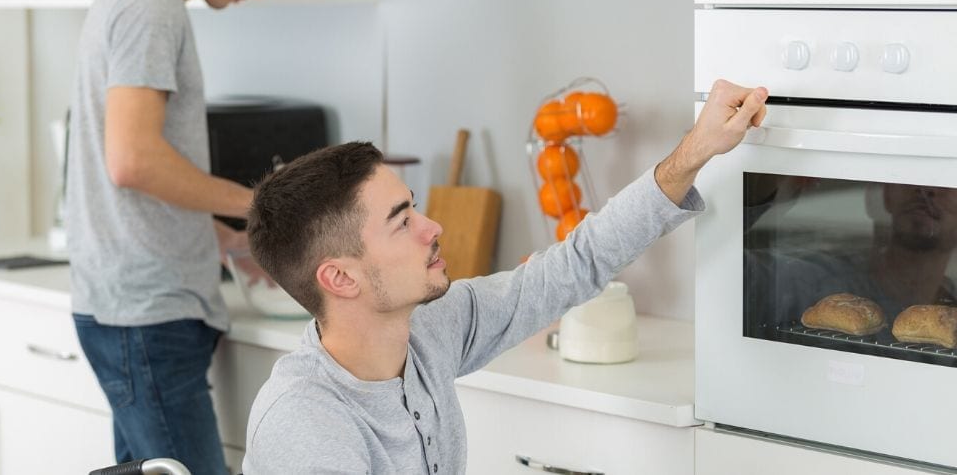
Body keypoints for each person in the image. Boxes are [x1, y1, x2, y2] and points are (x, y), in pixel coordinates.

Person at [240, 79, 769, 473]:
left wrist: (694, 152)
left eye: (415, 208)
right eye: (402, 223)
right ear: (340, 279)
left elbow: (573, 265)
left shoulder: (428, 333)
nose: (433, 227)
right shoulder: (306, 428)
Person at [66, 0, 302, 473]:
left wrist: (217, 237)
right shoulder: (153, 5)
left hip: (131, 304)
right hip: (149, 313)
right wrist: (263, 205)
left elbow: (130, 169)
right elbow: (133, 160)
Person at [746, 175, 957, 329]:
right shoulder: (814, 284)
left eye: (945, 181)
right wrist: (763, 185)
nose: (926, 189)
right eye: (908, 176)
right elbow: (732, 276)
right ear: (877, 197)